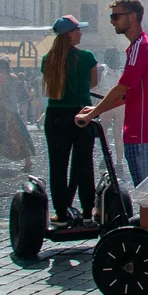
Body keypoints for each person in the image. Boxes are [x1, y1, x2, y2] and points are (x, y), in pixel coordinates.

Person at [77, 0, 148, 234]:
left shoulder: (140, 46)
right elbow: (129, 95)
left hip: (142, 130)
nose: (112, 21)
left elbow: (122, 88)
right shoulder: (138, 46)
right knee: (147, 193)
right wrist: (97, 110)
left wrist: (94, 111)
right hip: (138, 128)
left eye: (116, 16)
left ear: (132, 17)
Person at [42, 15, 99, 227]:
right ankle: (86, 212)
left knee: (58, 166)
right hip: (81, 115)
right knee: (84, 164)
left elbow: (52, 86)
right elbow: (92, 83)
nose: (81, 33)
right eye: (78, 30)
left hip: (56, 116)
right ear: (70, 34)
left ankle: (61, 214)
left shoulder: (48, 60)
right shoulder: (87, 57)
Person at [0, 57, 35, 172]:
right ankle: (28, 161)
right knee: (19, 134)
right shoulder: (14, 77)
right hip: (13, 109)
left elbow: (0, 94)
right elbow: (17, 93)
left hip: (2, 110)